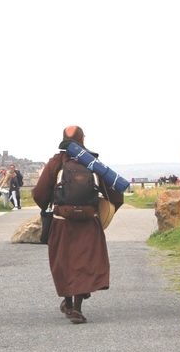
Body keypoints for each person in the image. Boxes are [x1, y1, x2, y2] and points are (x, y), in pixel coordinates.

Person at [32, 125, 124, 324]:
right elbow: (115, 193)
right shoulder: (92, 162)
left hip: (62, 222)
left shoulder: (56, 162)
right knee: (85, 263)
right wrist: (107, 209)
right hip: (89, 222)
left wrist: (51, 204)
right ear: (83, 140)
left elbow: (39, 193)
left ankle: (68, 302)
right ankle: (77, 305)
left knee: (64, 263)